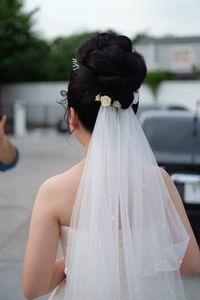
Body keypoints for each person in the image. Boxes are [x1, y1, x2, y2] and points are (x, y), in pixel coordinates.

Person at [22, 33, 200, 300]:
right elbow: (191, 264)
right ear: (129, 111)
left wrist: (82, 264)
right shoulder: (160, 181)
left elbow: (33, 287)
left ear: (71, 117)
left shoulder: (54, 191)